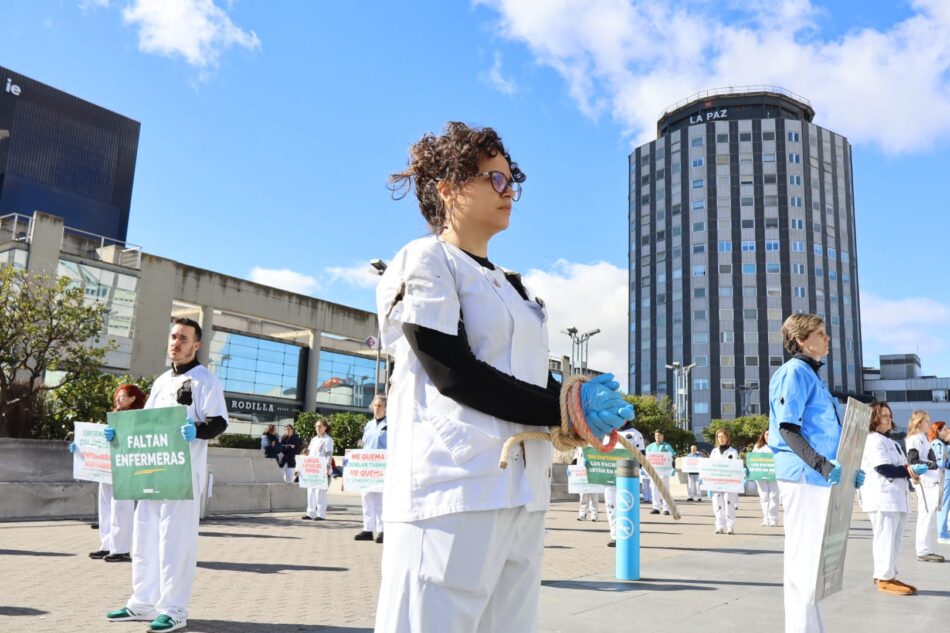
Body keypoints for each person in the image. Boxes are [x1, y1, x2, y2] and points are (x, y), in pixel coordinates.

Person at [373, 122, 632, 633]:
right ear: (447, 187)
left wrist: (572, 399)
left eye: (512, 179)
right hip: (451, 489)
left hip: (523, 487)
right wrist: (560, 407)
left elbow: (524, 377)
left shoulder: (513, 286)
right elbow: (453, 372)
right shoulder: (426, 258)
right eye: (494, 178)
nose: (509, 190)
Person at [105, 318, 228, 633]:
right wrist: (120, 432)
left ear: (196, 345)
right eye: (173, 336)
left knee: (175, 541)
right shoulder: (160, 381)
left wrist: (196, 430)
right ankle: (142, 603)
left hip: (182, 476)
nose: (176, 342)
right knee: (144, 536)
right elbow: (147, 425)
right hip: (152, 473)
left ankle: (174, 609)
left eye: (184, 338)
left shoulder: (205, 380)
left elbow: (218, 422)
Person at [768, 313, 865, 633]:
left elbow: (826, 432)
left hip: (819, 477)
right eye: (820, 334)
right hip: (804, 476)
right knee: (803, 562)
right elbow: (787, 428)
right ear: (801, 340)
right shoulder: (793, 373)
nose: (827, 339)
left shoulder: (812, 377)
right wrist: (822, 464)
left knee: (815, 565)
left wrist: (848, 468)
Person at [71, 383, 145, 563]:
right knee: (105, 507)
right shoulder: (114, 416)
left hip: (125, 467)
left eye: (122, 395)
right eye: (117, 395)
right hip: (107, 468)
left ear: (133, 398)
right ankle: (106, 545)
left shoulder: (139, 417)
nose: (117, 399)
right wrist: (80, 446)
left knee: (121, 507)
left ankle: (121, 548)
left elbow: (138, 440)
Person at [861, 402, 925, 595]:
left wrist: (912, 473)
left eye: (889, 415)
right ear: (874, 419)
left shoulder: (893, 443)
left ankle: (890, 575)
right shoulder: (873, 440)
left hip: (897, 498)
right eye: (883, 416)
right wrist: (908, 470)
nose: (889, 419)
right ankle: (883, 577)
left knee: (894, 540)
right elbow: (883, 467)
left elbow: (902, 466)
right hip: (882, 498)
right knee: (885, 538)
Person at [905, 410, 945, 562]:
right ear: (919, 422)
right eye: (927, 421)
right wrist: (933, 464)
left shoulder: (923, 438)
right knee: (925, 516)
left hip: (931, 481)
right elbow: (913, 460)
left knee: (930, 516)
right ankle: (923, 551)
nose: (929, 423)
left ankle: (927, 549)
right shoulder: (915, 439)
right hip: (924, 482)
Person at [602, 418, 641, 547]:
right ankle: (614, 535)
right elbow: (603, 452)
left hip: (627, 477)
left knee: (626, 506)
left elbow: (641, 456)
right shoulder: (608, 434)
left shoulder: (635, 434)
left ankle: (627, 535)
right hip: (610, 475)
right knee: (611, 506)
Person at [355, 395, 388, 543]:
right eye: (375, 405)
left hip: (382, 467)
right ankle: (367, 529)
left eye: (380, 405)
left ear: (386, 408)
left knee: (381, 500)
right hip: (367, 467)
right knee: (366, 498)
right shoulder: (368, 425)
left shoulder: (390, 424)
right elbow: (364, 445)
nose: (377, 408)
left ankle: (382, 531)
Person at [302, 418, 334, 521]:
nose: (317, 428)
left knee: (320, 492)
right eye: (316, 426)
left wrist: (327, 467)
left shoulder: (328, 440)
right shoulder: (314, 439)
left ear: (325, 427)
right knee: (310, 490)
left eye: (320, 426)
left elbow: (329, 454)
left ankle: (321, 514)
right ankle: (310, 513)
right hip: (312, 468)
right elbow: (309, 452)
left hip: (322, 468)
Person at [710, 428, 740, 534]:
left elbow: (736, 467)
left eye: (723, 436)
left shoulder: (733, 451)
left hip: (729, 483)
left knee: (729, 503)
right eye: (718, 436)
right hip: (716, 482)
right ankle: (719, 526)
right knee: (717, 504)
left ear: (727, 438)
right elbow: (710, 467)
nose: (720, 438)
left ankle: (730, 526)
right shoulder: (714, 452)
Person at [751, 430, 780, 527]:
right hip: (761, 476)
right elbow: (753, 461)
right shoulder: (758, 447)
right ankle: (766, 518)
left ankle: (773, 518)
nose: (768, 436)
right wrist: (755, 474)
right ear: (763, 435)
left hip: (774, 476)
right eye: (767, 434)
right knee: (764, 497)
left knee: (773, 496)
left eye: (771, 434)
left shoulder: (778, 446)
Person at [645, 429, 675, 515]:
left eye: (659, 435)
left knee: (665, 489)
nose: (657, 437)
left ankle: (666, 508)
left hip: (664, 471)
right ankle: (656, 507)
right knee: (654, 489)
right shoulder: (650, 447)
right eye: (656, 435)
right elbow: (647, 459)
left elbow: (672, 458)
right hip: (654, 471)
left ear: (663, 436)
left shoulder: (667, 446)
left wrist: (672, 468)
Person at [929, 421, 950, 544]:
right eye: (945, 429)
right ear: (938, 431)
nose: (947, 431)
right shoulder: (937, 444)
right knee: (943, 506)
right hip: (944, 478)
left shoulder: (944, 444)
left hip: (947, 477)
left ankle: (944, 531)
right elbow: (941, 462)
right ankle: (941, 533)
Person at [574, 446, 600, 522]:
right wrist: (571, 470)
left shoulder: (596, 445)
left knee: (594, 495)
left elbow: (601, 459)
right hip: (582, 473)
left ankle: (594, 514)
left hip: (594, 472)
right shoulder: (579, 448)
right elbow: (575, 459)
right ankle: (582, 514)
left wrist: (592, 463)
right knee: (583, 495)